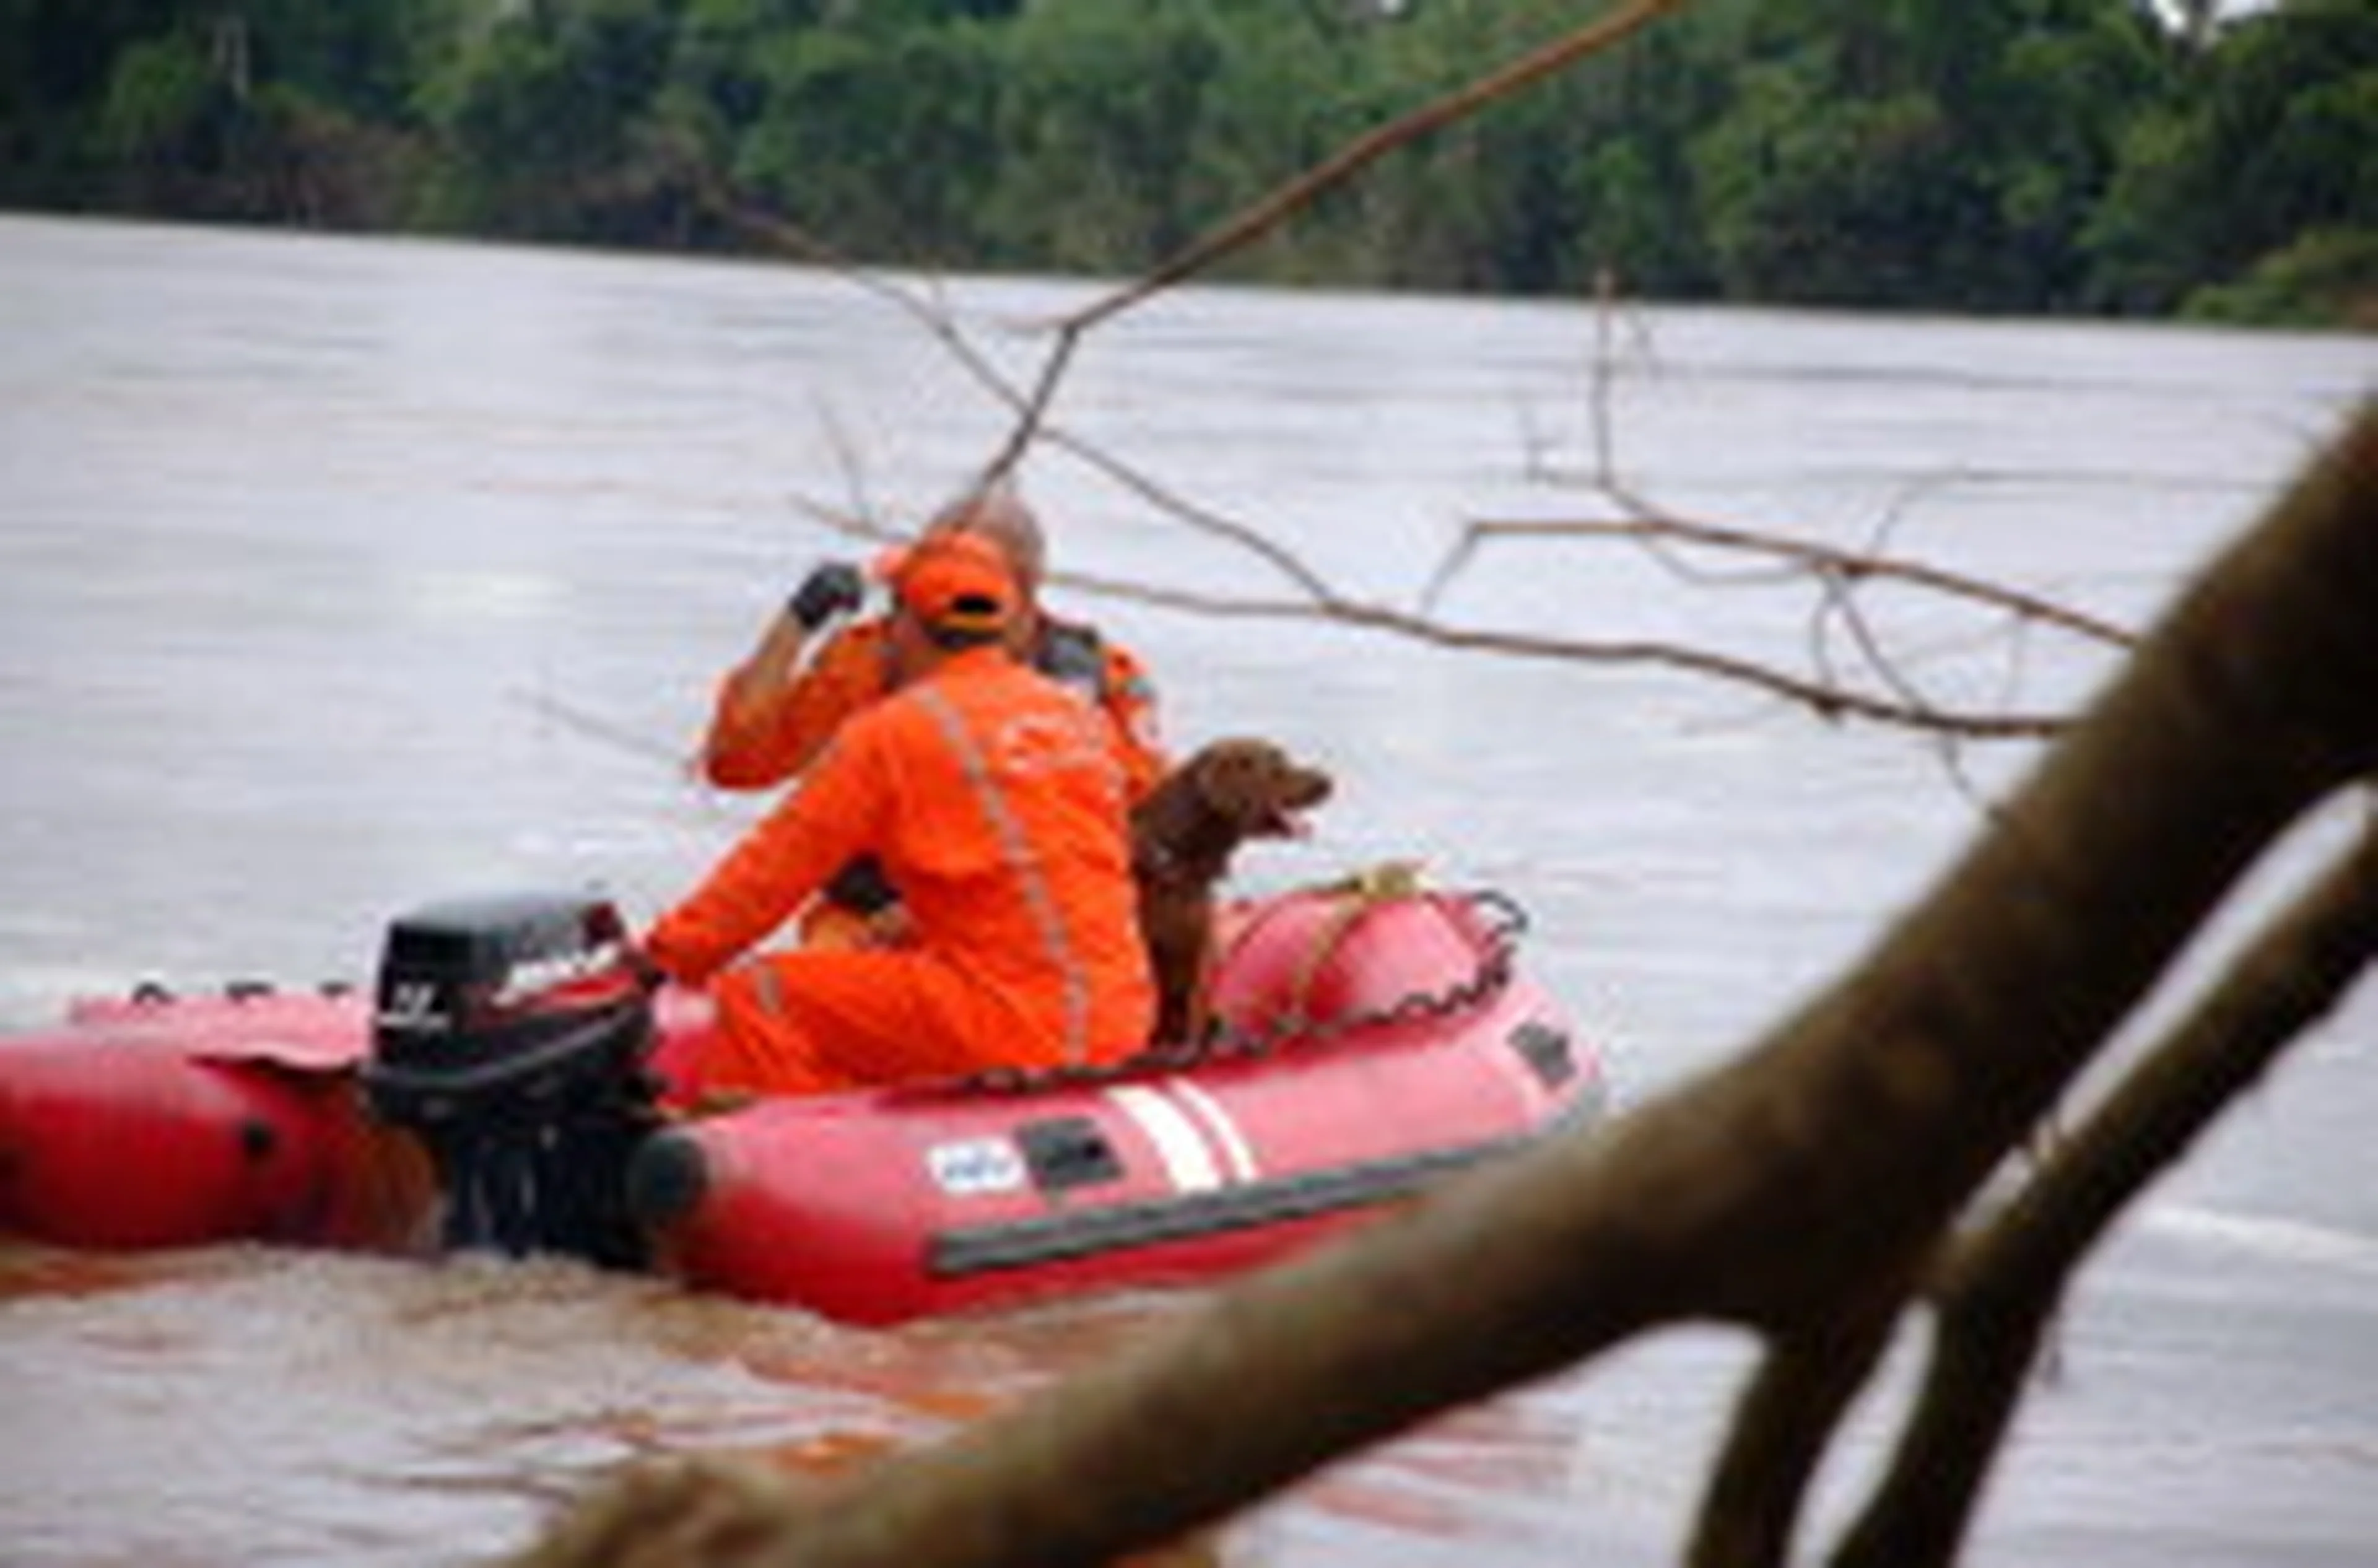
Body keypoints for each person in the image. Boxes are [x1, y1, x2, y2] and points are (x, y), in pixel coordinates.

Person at [639, 531, 1156, 1098]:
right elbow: (1105, 848)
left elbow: (768, 875)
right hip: (1118, 1008)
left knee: (758, 995)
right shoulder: (1080, 716)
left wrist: (662, 962)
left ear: (906, 624)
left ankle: (806, 1158)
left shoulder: (893, 731)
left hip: (1007, 1013)